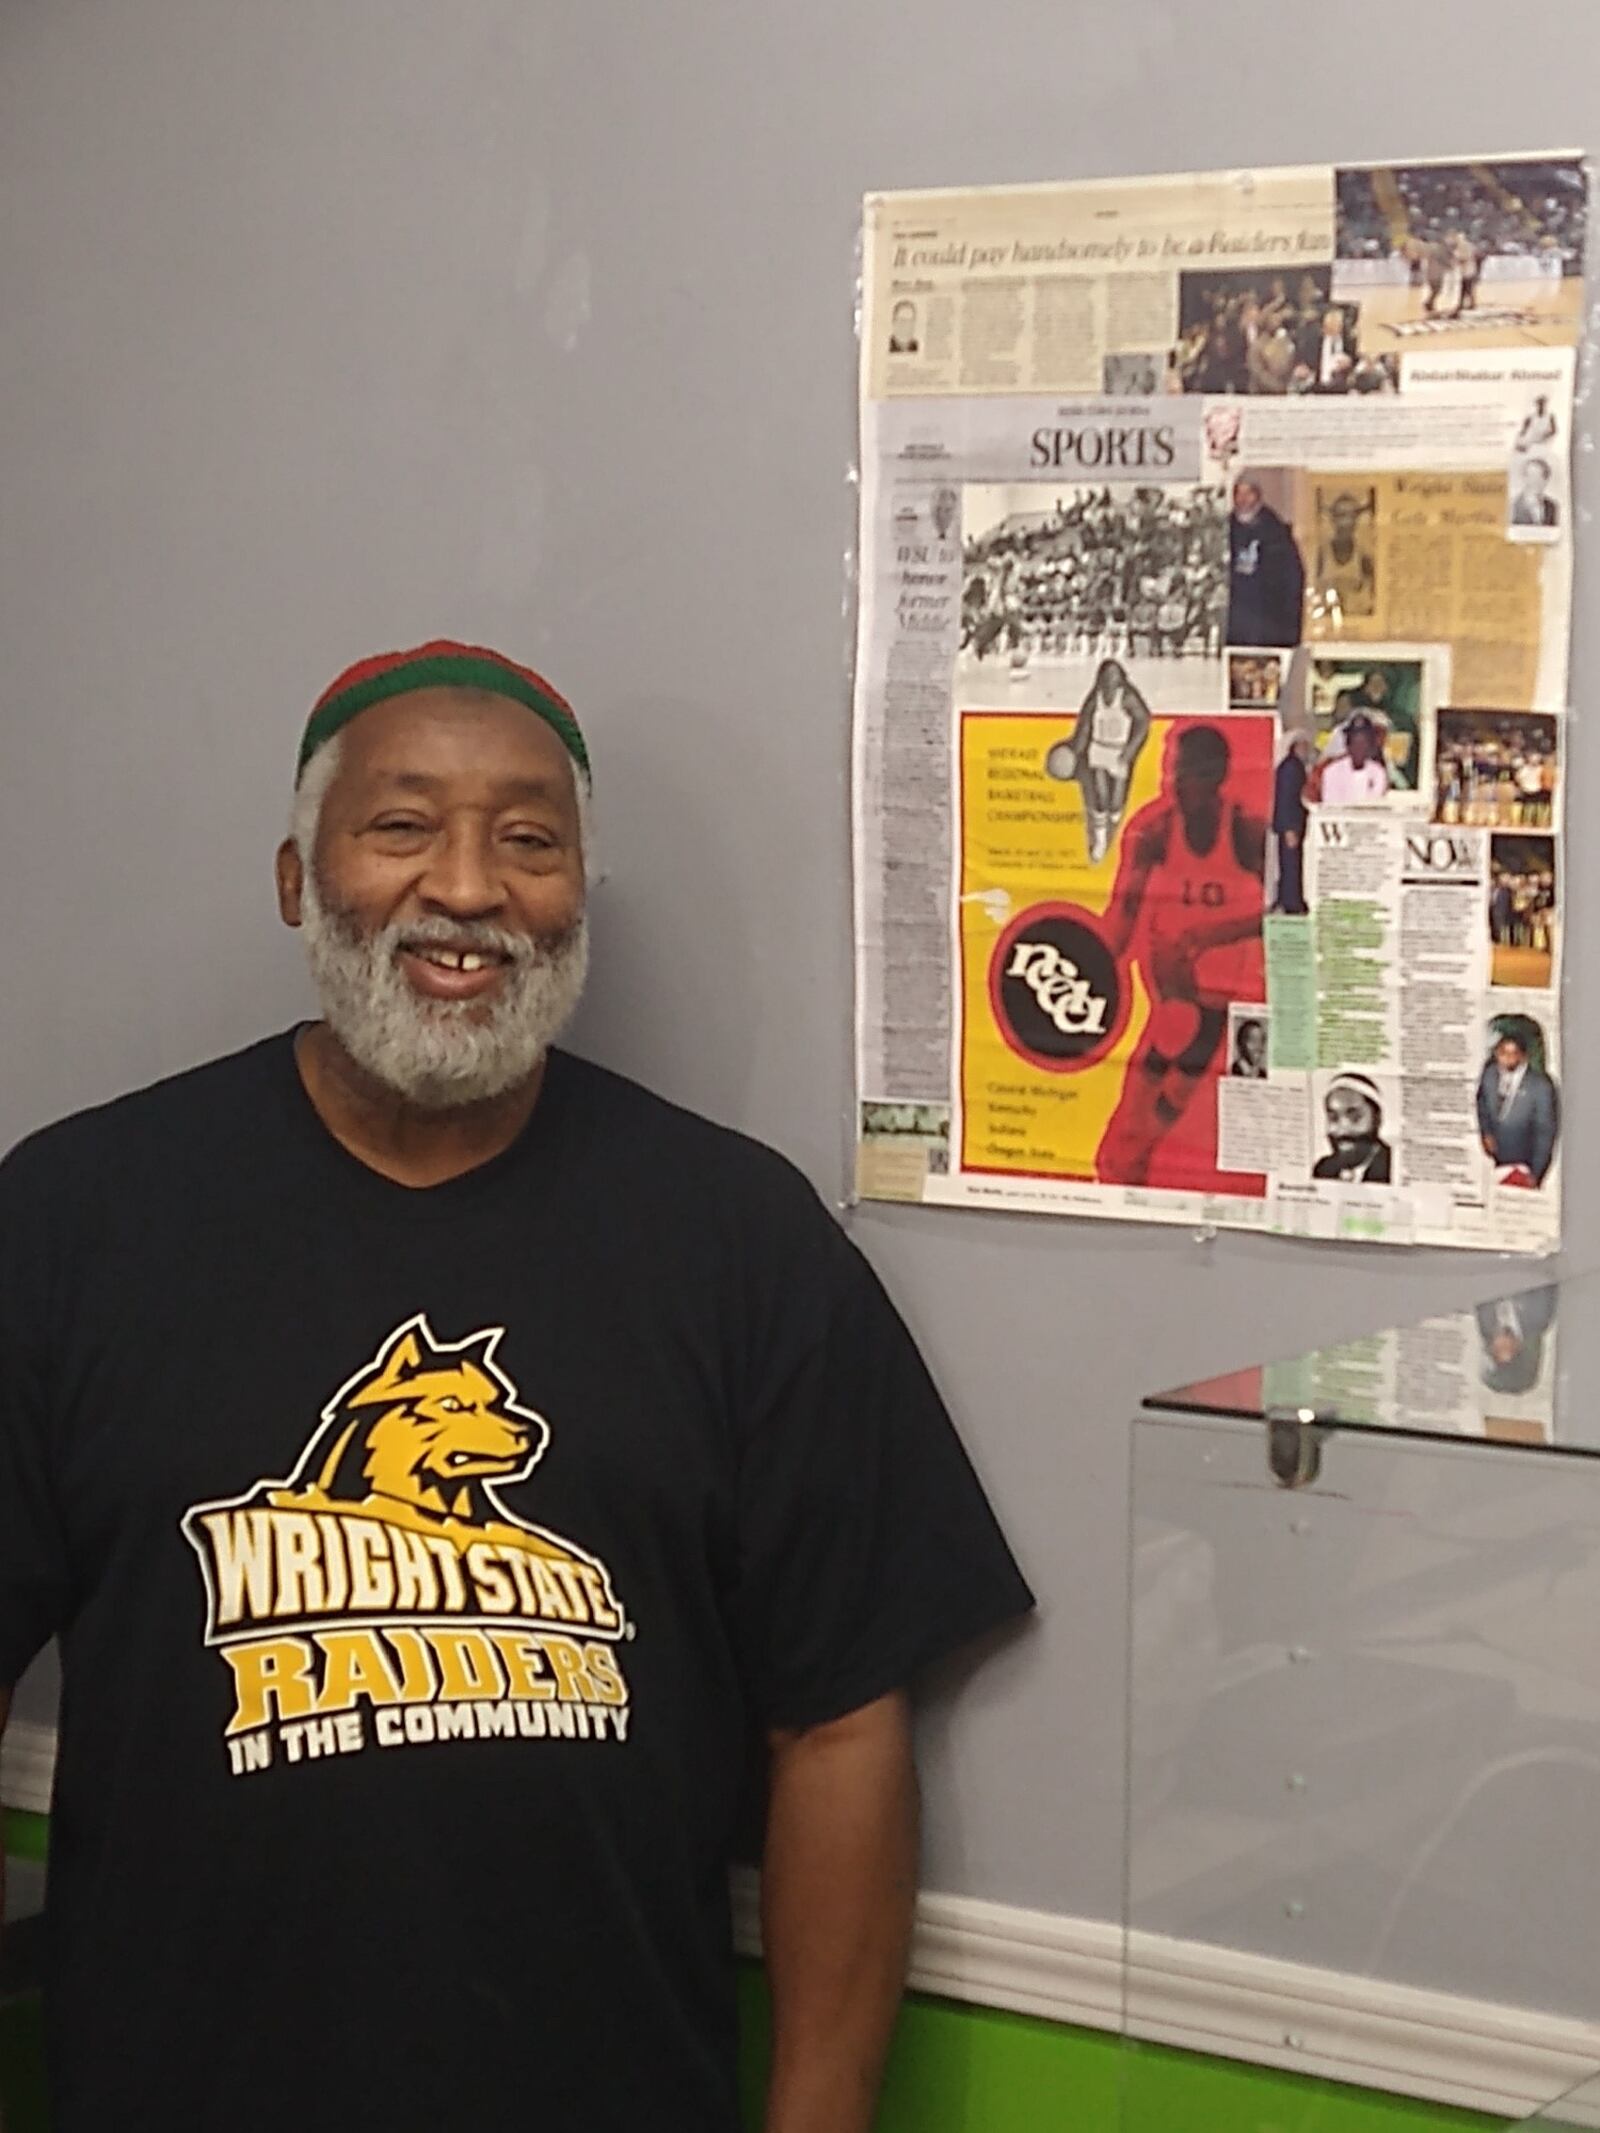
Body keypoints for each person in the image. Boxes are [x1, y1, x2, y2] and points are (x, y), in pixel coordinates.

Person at [0, 640, 1034, 2133]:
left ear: (576, 898)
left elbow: (840, 1724)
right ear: (301, 878)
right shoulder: (80, 1220)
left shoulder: (737, 1242)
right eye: (402, 825)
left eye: (530, 841)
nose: (471, 889)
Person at [1095, 725, 1267, 1186]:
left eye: (1185, 771)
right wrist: (1094, 967)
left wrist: (1208, 935)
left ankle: (1137, 1165)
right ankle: (1124, 1173)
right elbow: (1122, 914)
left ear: (1215, 776)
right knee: (1144, 1094)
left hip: (1222, 996)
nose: (1173, 780)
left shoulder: (1247, 833)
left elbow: (1287, 912)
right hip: (1172, 990)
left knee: (1174, 1098)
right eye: (1172, 769)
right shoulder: (1153, 831)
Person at [1044, 657, 1152, 866]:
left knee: (1116, 803)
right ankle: (1100, 841)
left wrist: (1130, 751)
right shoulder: (1096, 698)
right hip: (1099, 749)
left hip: (1120, 751)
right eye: (1107, 675)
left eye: (1114, 675)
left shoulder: (1127, 698)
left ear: (1121, 677)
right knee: (1100, 796)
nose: (1110, 679)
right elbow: (1084, 726)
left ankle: (1115, 828)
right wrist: (1075, 750)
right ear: (1100, 677)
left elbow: (1143, 721)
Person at [1475, 1025, 1559, 1185]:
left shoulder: (1540, 1086)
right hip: (1494, 1164)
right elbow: (1482, 1103)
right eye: (1501, 1052)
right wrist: (1486, 1131)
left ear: (1523, 1056)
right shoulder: (1489, 1074)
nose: (1506, 1058)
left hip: (1523, 1166)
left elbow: (1545, 1134)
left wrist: (1536, 1173)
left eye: (1512, 1053)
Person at [1228, 476, 1305, 648]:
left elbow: (1291, 582)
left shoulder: (1277, 534)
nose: (1243, 499)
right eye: (1238, 493)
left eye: (1248, 493)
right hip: (1234, 627)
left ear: (1258, 496)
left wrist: (1289, 634)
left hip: (1268, 626)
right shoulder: (1225, 531)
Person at [1476, 1285, 1556, 1398]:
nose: (1496, 1345)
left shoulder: (1486, 1327)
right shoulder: (1538, 1318)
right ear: (1520, 1350)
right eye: (1501, 1352)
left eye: (1492, 1350)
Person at [1313, 1073, 1393, 1182]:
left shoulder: (1392, 1167)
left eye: (1355, 1117)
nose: (1343, 1130)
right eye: (1333, 1118)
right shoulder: (1323, 1169)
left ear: (1377, 1119)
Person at [1313, 491, 1376, 619]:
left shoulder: (1364, 557)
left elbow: (1372, 596)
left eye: (1351, 516)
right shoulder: (1321, 554)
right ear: (1333, 520)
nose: (1346, 522)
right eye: (1341, 516)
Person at [1272, 731, 1311, 915]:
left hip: (1294, 826)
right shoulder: (1291, 768)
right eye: (1304, 746)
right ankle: (1290, 902)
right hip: (1291, 827)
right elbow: (1286, 798)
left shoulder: (1295, 766)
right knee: (1290, 865)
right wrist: (1289, 828)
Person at [1316, 712, 1390, 803]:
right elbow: (1331, 802)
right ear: (1348, 745)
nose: (1359, 748)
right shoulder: (1332, 771)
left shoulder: (1378, 772)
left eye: (1363, 743)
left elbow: (1375, 801)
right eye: (1355, 743)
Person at [1512, 456, 1559, 527]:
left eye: (1541, 476)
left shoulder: (1552, 507)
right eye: (1533, 476)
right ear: (1525, 478)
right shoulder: (1513, 507)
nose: (1536, 481)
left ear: (1546, 480)